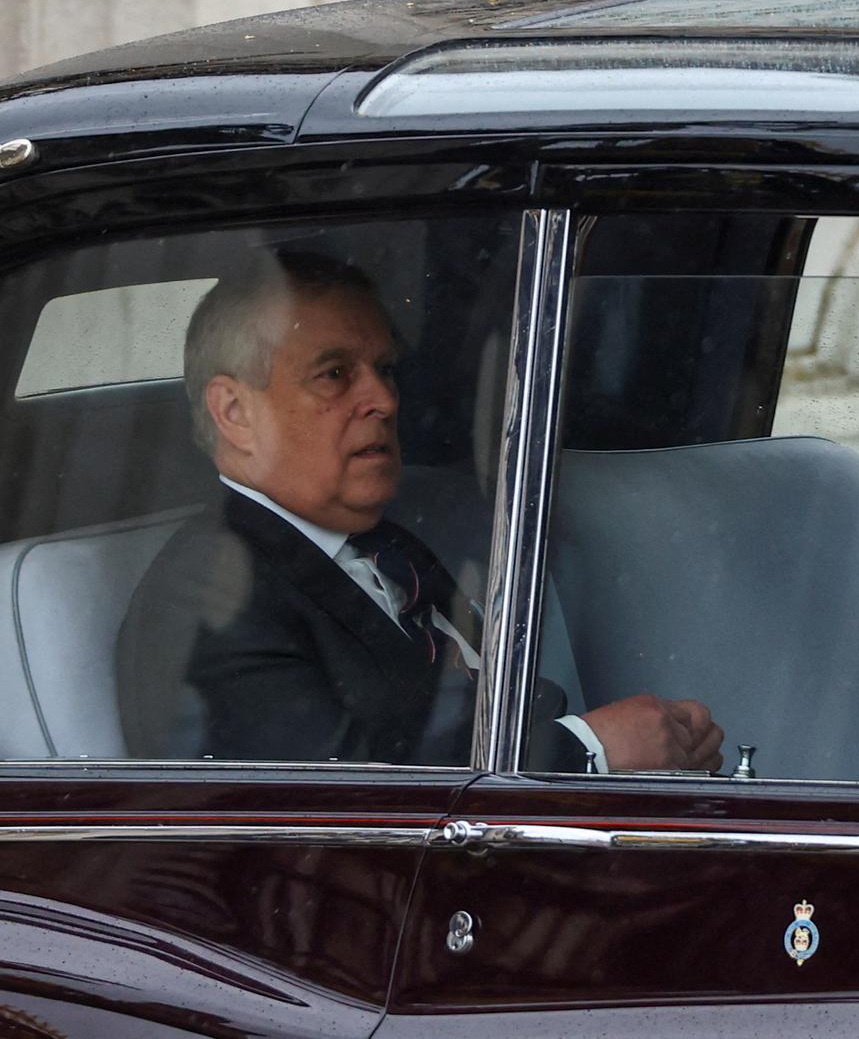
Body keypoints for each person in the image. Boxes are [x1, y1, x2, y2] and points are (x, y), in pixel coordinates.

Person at [116, 249, 723, 772]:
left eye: (384, 370)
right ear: (235, 412)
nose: (382, 399)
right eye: (334, 374)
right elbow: (336, 814)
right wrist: (590, 750)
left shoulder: (380, 547)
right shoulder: (206, 600)